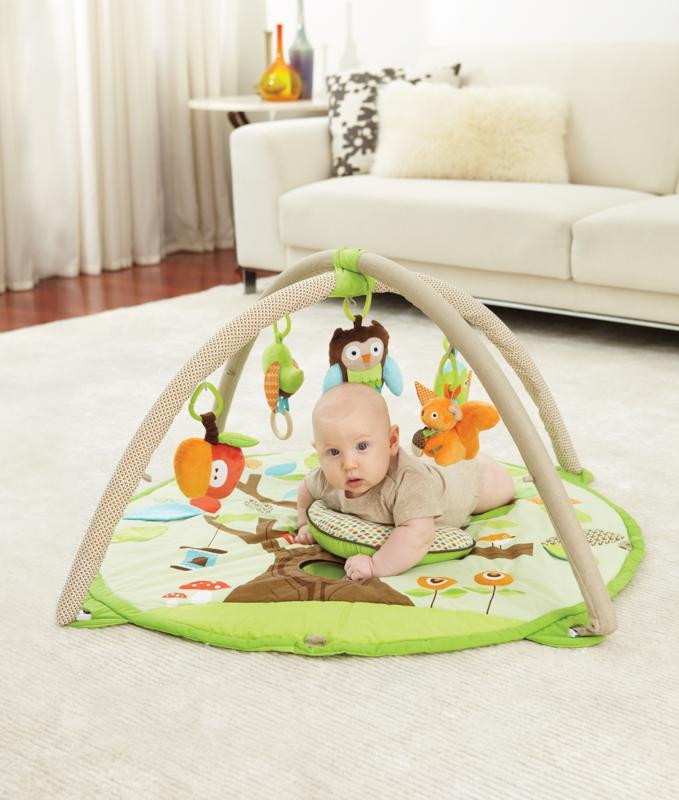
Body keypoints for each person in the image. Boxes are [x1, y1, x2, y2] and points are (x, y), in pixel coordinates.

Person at [294, 383, 515, 581]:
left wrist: (375, 565)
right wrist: (303, 523)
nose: (348, 464)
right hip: (426, 468)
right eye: (333, 452)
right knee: (429, 460)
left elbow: (419, 535)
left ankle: (473, 456)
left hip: (467, 483)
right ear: (318, 452)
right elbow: (306, 488)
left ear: (391, 441)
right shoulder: (326, 478)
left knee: (504, 488)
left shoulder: (408, 483)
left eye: (362, 446)